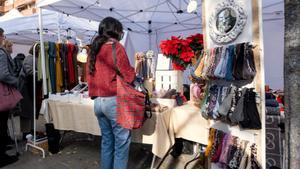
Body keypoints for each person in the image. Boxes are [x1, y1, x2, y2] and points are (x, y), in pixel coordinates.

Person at [88, 17, 135, 169]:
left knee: (107, 141)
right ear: (115, 30)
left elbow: (88, 76)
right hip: (113, 100)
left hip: (98, 102)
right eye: (120, 30)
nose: (121, 33)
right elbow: (128, 76)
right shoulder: (116, 47)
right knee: (121, 143)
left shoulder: (94, 48)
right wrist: (135, 69)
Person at [0, 28, 19, 167]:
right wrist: (16, 81)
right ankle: (2, 158)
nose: (3, 37)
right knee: (1, 125)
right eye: (2, 35)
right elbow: (3, 75)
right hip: (2, 94)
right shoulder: (1, 54)